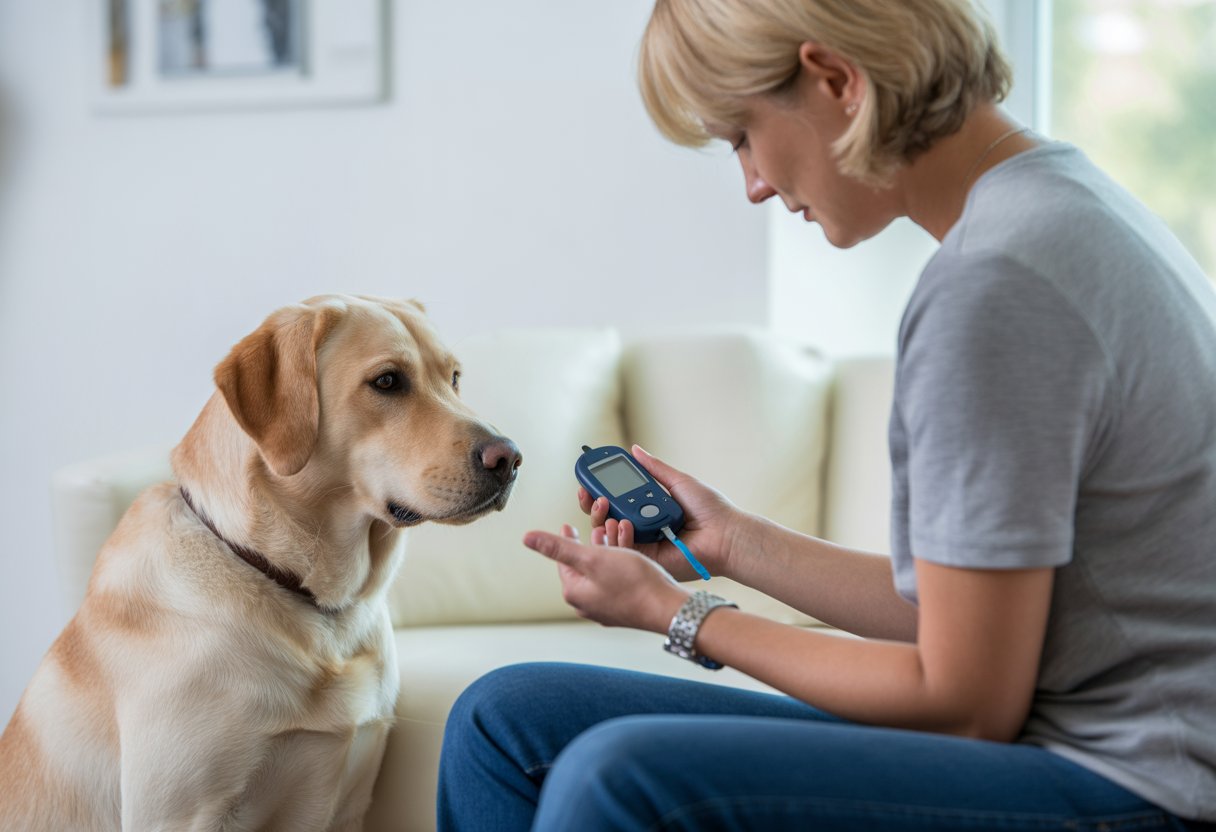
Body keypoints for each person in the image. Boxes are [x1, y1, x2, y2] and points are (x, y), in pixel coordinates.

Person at [437, 0, 1216, 829]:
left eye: (740, 135)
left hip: (1139, 785)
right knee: (507, 719)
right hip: (1075, 740)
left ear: (837, 81)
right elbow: (967, 621)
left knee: (617, 779)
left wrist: (679, 613)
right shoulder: (1060, 204)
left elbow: (962, 703)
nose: (753, 184)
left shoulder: (995, 288)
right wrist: (733, 542)